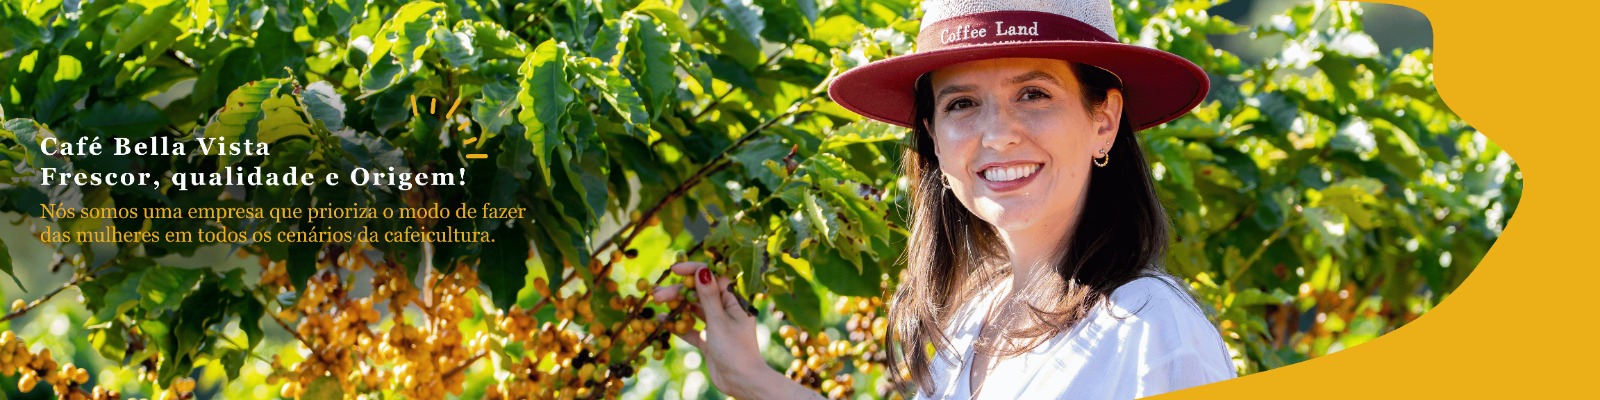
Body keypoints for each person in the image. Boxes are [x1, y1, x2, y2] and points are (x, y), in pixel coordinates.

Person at [651, 0, 1237, 398]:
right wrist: (752, 378)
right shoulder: (972, 318)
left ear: (1103, 121)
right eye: (961, 104)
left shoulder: (1151, 329)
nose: (997, 134)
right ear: (933, 135)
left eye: (1033, 93)